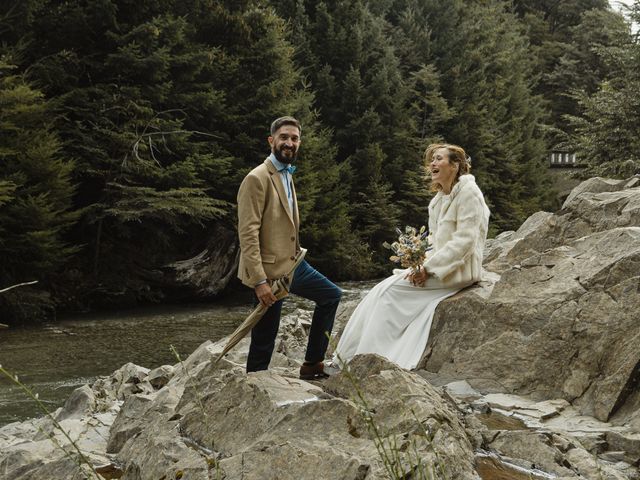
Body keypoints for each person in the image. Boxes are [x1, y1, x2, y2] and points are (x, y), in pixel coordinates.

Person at [333, 143, 490, 370]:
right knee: (379, 290)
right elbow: (437, 242)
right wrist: (418, 264)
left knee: (390, 295)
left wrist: (429, 269)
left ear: (455, 165)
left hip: (461, 270)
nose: (432, 164)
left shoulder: (469, 193)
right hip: (440, 265)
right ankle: (349, 357)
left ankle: (373, 360)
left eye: (438, 159)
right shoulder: (437, 200)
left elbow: (465, 241)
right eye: (432, 160)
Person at [237, 116, 342, 379]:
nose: (289, 142)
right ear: (271, 140)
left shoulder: (286, 172)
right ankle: (255, 384)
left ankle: (312, 364)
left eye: (294, 138)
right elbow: (247, 233)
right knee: (265, 336)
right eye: (284, 137)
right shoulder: (256, 178)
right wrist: (259, 281)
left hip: (294, 264)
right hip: (269, 271)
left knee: (331, 295)